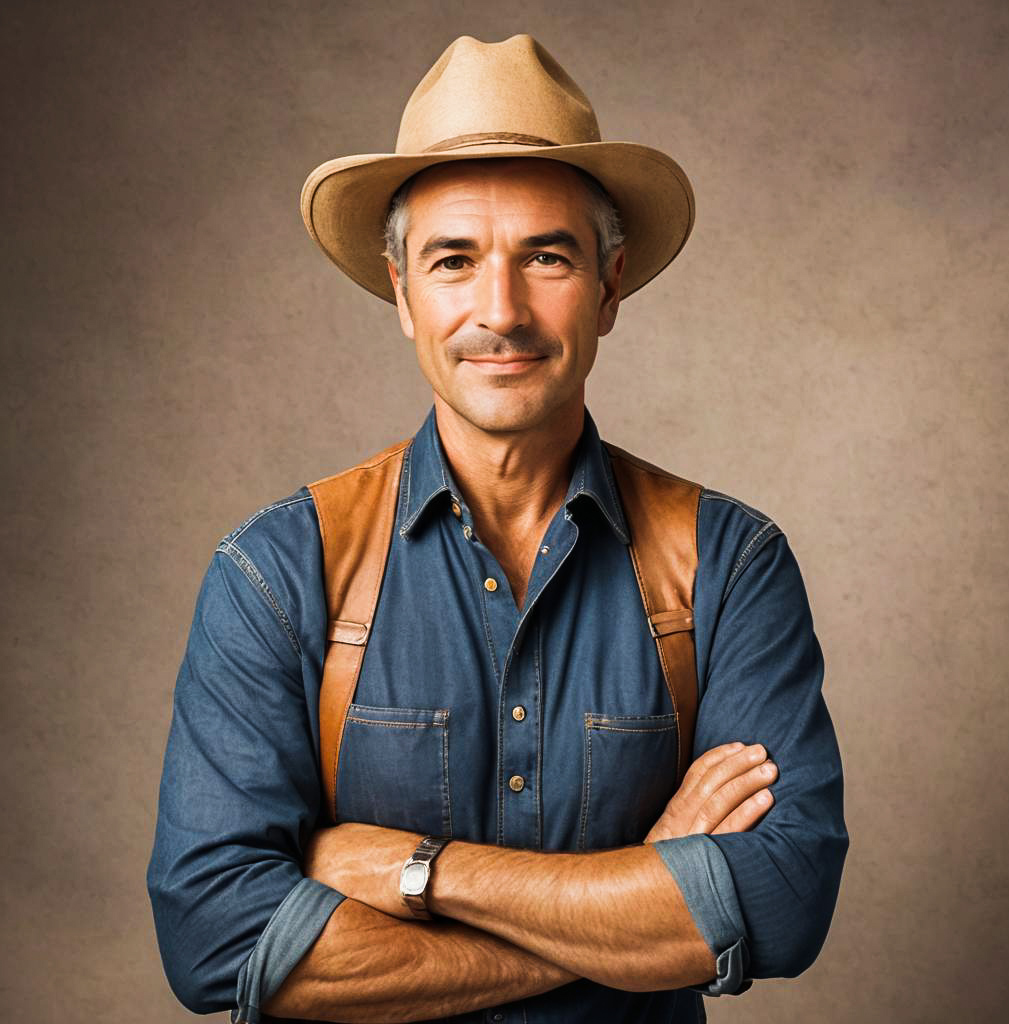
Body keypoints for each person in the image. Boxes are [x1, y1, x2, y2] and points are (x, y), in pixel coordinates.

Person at [147, 34, 847, 1024]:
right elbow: (213, 938)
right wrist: (639, 890)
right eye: (453, 260)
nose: (500, 310)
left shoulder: (727, 564)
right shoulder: (280, 572)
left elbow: (779, 903)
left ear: (609, 288)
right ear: (403, 295)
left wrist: (417, 871)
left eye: (546, 257)